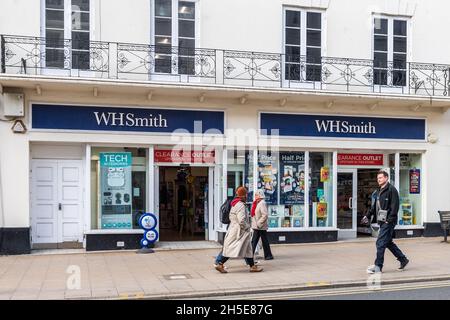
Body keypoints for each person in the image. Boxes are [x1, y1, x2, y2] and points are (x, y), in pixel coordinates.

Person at [361, 170, 409, 274]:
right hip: (382, 221)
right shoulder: (378, 190)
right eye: (378, 178)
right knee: (387, 243)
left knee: (380, 243)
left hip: (388, 222)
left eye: (381, 178)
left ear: (386, 178)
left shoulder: (392, 190)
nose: (379, 180)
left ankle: (378, 267)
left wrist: (389, 220)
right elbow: (375, 207)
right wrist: (367, 216)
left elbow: (395, 207)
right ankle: (403, 259)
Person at [215, 186, 263, 273]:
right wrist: (247, 227)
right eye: (246, 195)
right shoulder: (240, 205)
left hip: (234, 229)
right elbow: (241, 220)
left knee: (247, 248)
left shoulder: (234, 203)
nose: (247, 196)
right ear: (243, 196)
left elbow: (231, 217)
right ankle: (220, 263)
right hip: (240, 231)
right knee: (232, 248)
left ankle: (252, 266)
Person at [251, 189, 274, 260]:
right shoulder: (256, 203)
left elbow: (265, 215)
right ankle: (268, 255)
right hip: (257, 226)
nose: (255, 196)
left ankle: (249, 256)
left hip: (260, 226)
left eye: (256, 195)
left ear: (260, 195)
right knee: (258, 241)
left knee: (257, 241)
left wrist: (259, 223)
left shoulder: (262, 203)